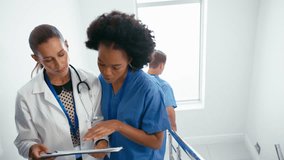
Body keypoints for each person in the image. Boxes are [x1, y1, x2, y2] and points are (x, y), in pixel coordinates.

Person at [83, 11, 171, 160]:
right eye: (101, 63)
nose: (107, 72)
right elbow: (100, 119)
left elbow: (156, 142)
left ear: (130, 59)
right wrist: (101, 143)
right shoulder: (102, 82)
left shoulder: (149, 90)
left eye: (115, 67)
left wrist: (119, 126)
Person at [14, 24, 108, 160]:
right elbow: (24, 141)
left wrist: (101, 142)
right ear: (36, 58)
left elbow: (98, 120)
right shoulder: (26, 95)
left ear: (67, 45)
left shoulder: (90, 80)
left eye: (61, 54)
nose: (59, 64)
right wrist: (32, 149)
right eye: (48, 60)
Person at [148, 50, 177, 131]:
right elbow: (169, 112)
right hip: (156, 132)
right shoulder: (164, 86)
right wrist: (174, 128)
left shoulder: (140, 81)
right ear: (161, 65)